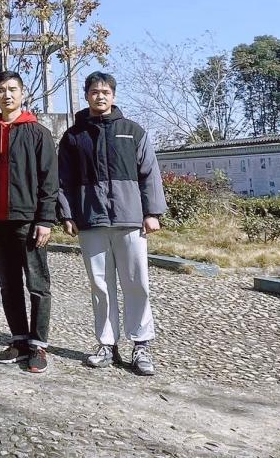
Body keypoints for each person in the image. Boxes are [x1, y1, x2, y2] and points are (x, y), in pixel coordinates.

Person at [58, 71, 167, 376]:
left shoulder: (133, 131)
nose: (100, 96)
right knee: (100, 286)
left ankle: (141, 344)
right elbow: (62, 180)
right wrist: (67, 214)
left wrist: (152, 212)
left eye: (105, 92)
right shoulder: (73, 137)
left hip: (130, 219)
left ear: (114, 96)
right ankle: (107, 344)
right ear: (87, 96)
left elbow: (149, 173)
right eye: (95, 92)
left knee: (137, 283)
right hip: (90, 220)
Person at [0, 72, 58, 373]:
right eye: (1, 90)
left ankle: (39, 345)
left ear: (22, 94)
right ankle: (19, 339)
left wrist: (45, 219)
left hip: (29, 220)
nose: (7, 95)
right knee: (8, 284)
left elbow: (49, 180)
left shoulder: (38, 133)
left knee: (37, 284)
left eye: (12, 89)